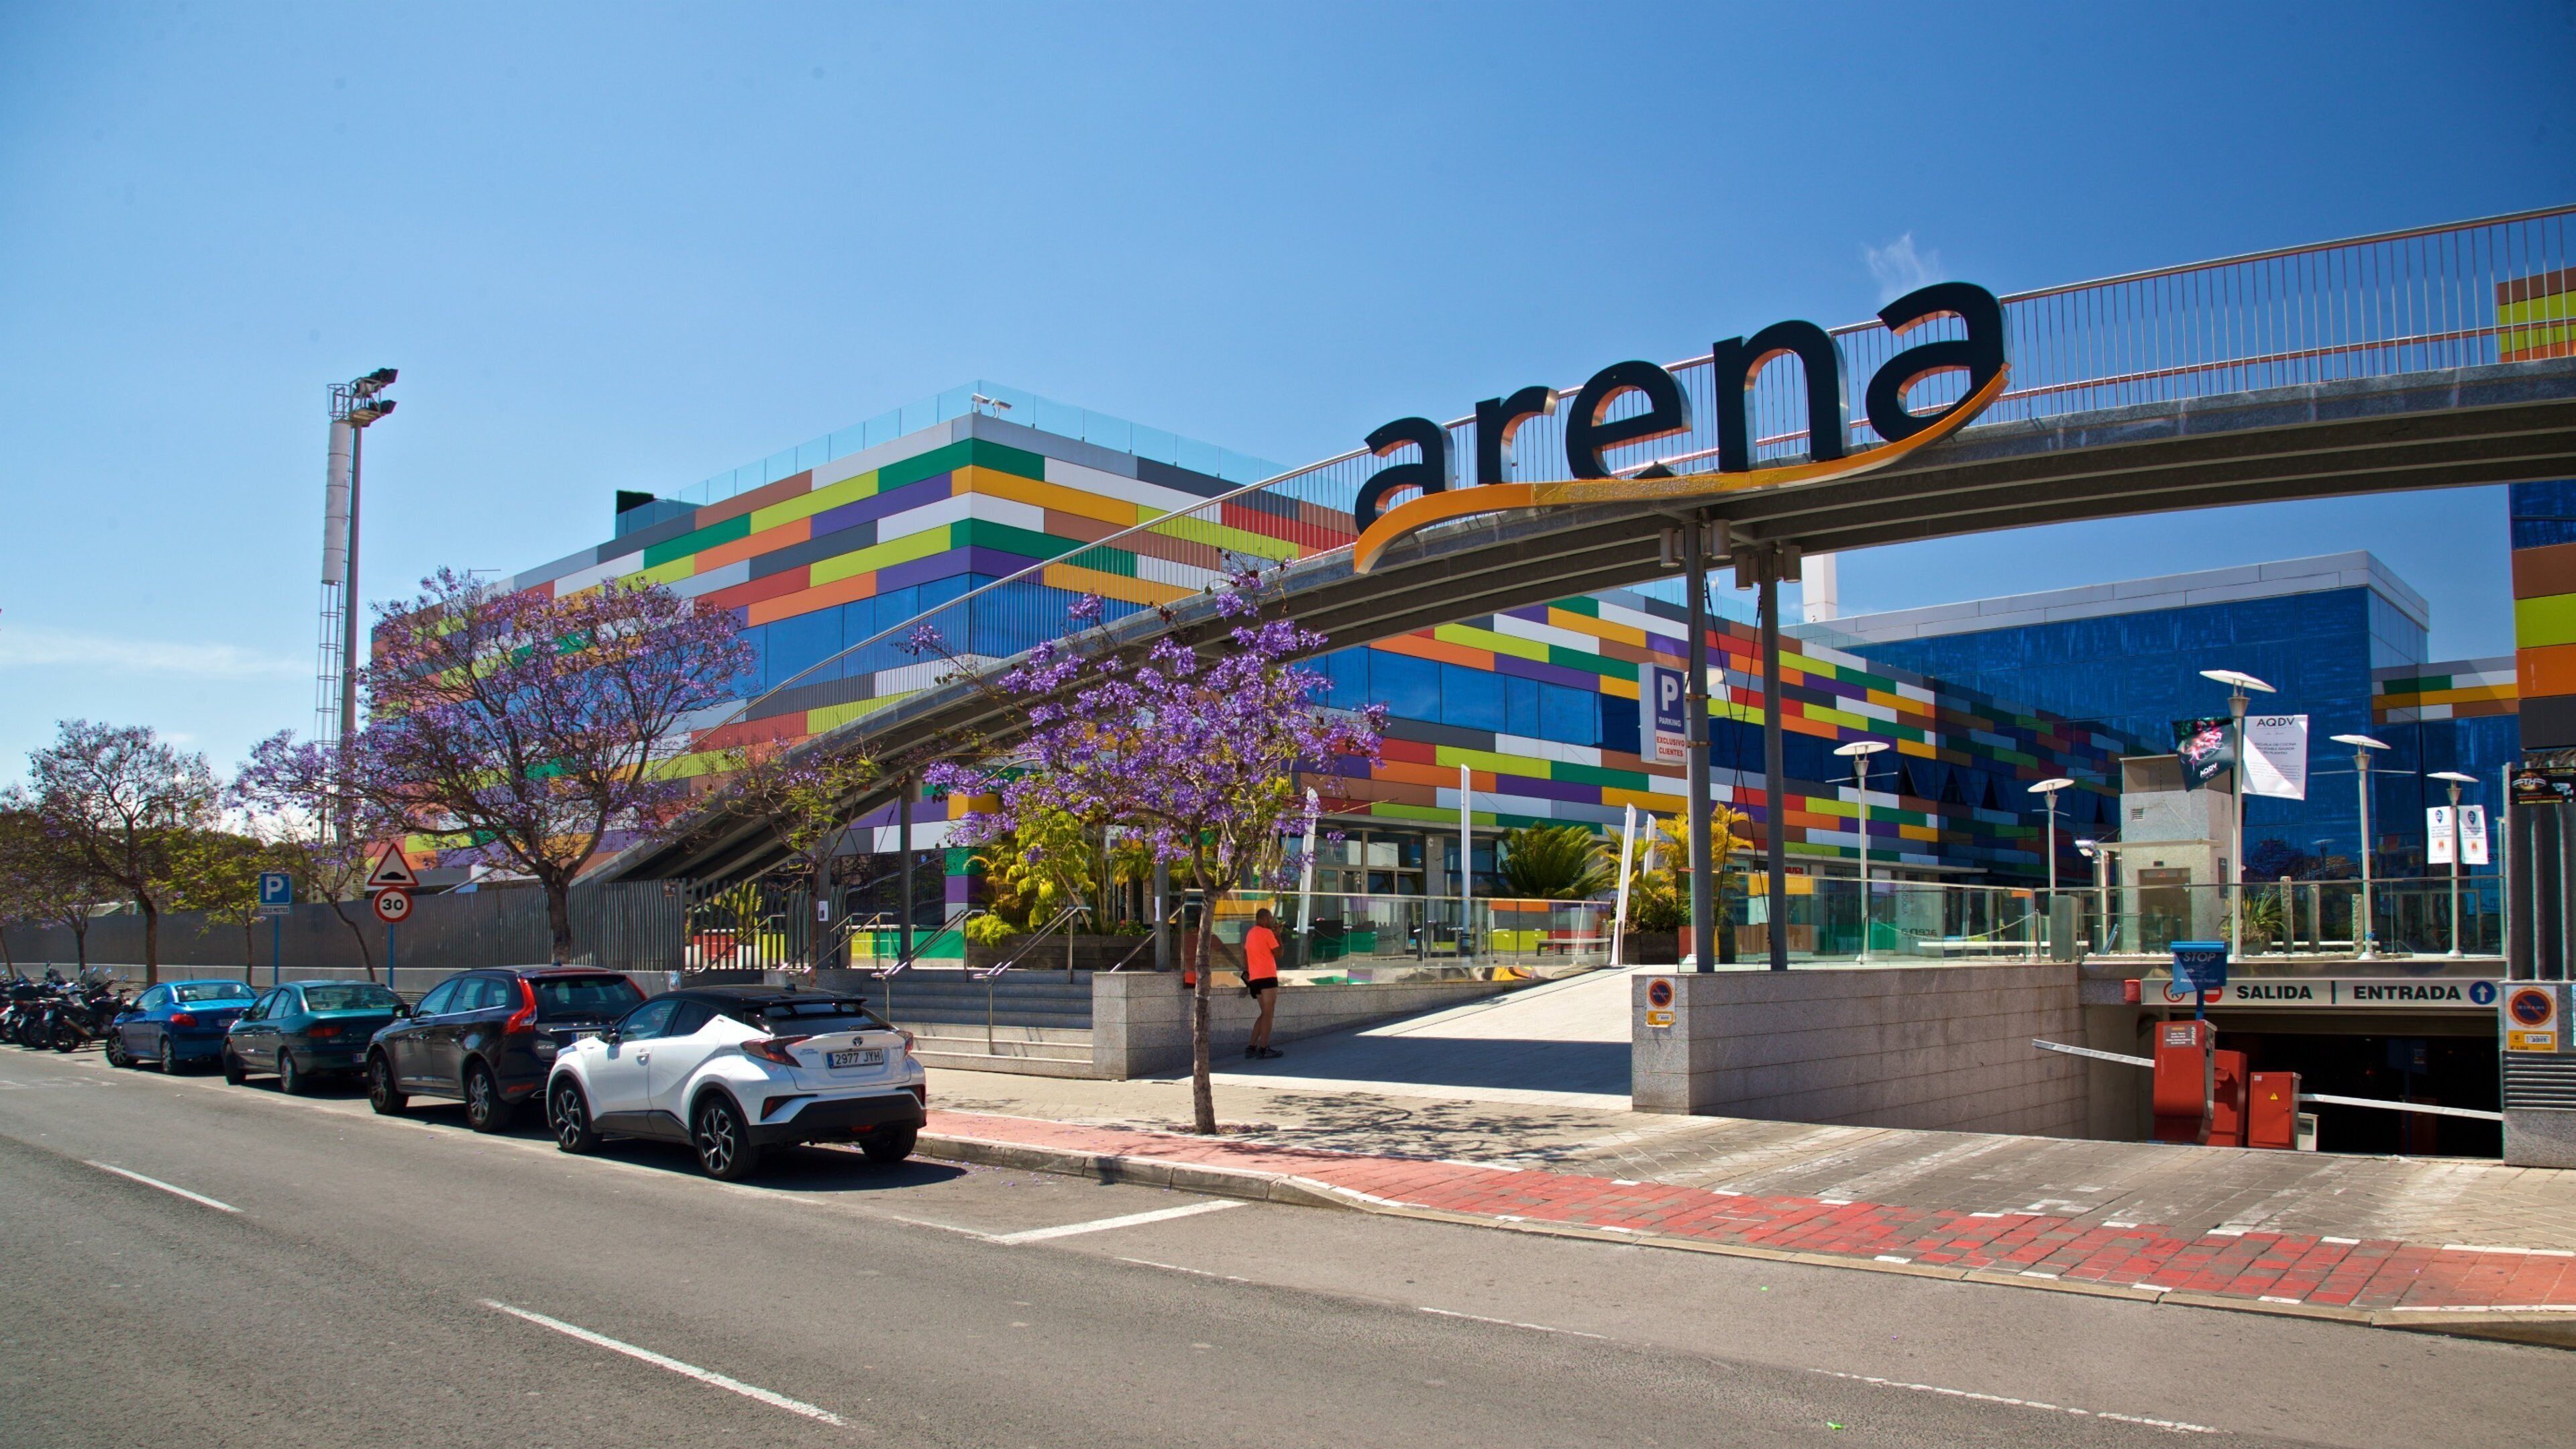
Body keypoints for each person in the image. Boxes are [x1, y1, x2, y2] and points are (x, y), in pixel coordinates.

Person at [1242, 907, 1282, 1059]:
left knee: (1265, 1013)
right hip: (1267, 977)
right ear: (1265, 919)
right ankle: (1264, 1048)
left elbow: (1245, 953)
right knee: (1269, 1014)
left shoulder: (1251, 933)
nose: (1272, 921)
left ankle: (1251, 1047)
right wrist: (1278, 936)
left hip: (1255, 978)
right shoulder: (1267, 933)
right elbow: (1279, 953)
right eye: (1271, 918)